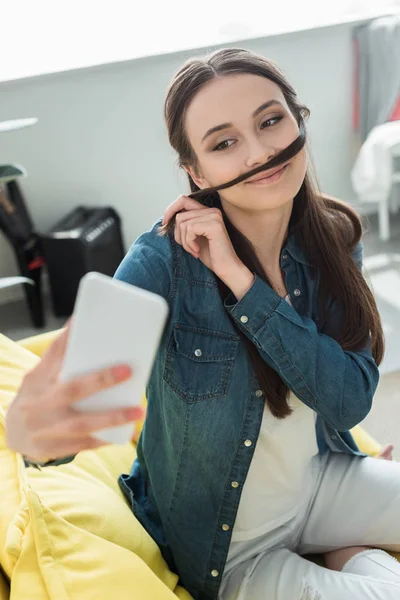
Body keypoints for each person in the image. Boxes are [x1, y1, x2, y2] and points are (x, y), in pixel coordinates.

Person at [5, 48, 400, 600]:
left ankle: (348, 550)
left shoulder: (334, 236)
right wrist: (33, 431)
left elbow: (351, 400)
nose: (259, 152)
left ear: (298, 118)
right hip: (230, 546)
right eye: (223, 143)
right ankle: (354, 556)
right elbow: (61, 429)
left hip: (321, 483)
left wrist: (244, 284)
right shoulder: (160, 261)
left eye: (270, 120)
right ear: (195, 171)